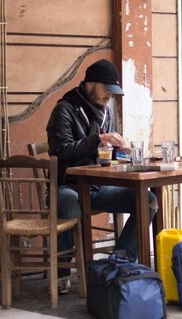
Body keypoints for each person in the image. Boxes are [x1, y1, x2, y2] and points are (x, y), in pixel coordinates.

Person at [46, 59, 157, 293]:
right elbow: (61, 151)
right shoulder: (64, 109)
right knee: (70, 204)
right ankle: (62, 273)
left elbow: (106, 154)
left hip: (98, 187)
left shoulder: (105, 112)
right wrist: (98, 140)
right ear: (90, 84)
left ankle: (119, 263)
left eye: (113, 91)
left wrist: (121, 152)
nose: (109, 95)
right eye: (106, 89)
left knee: (147, 200)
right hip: (69, 186)